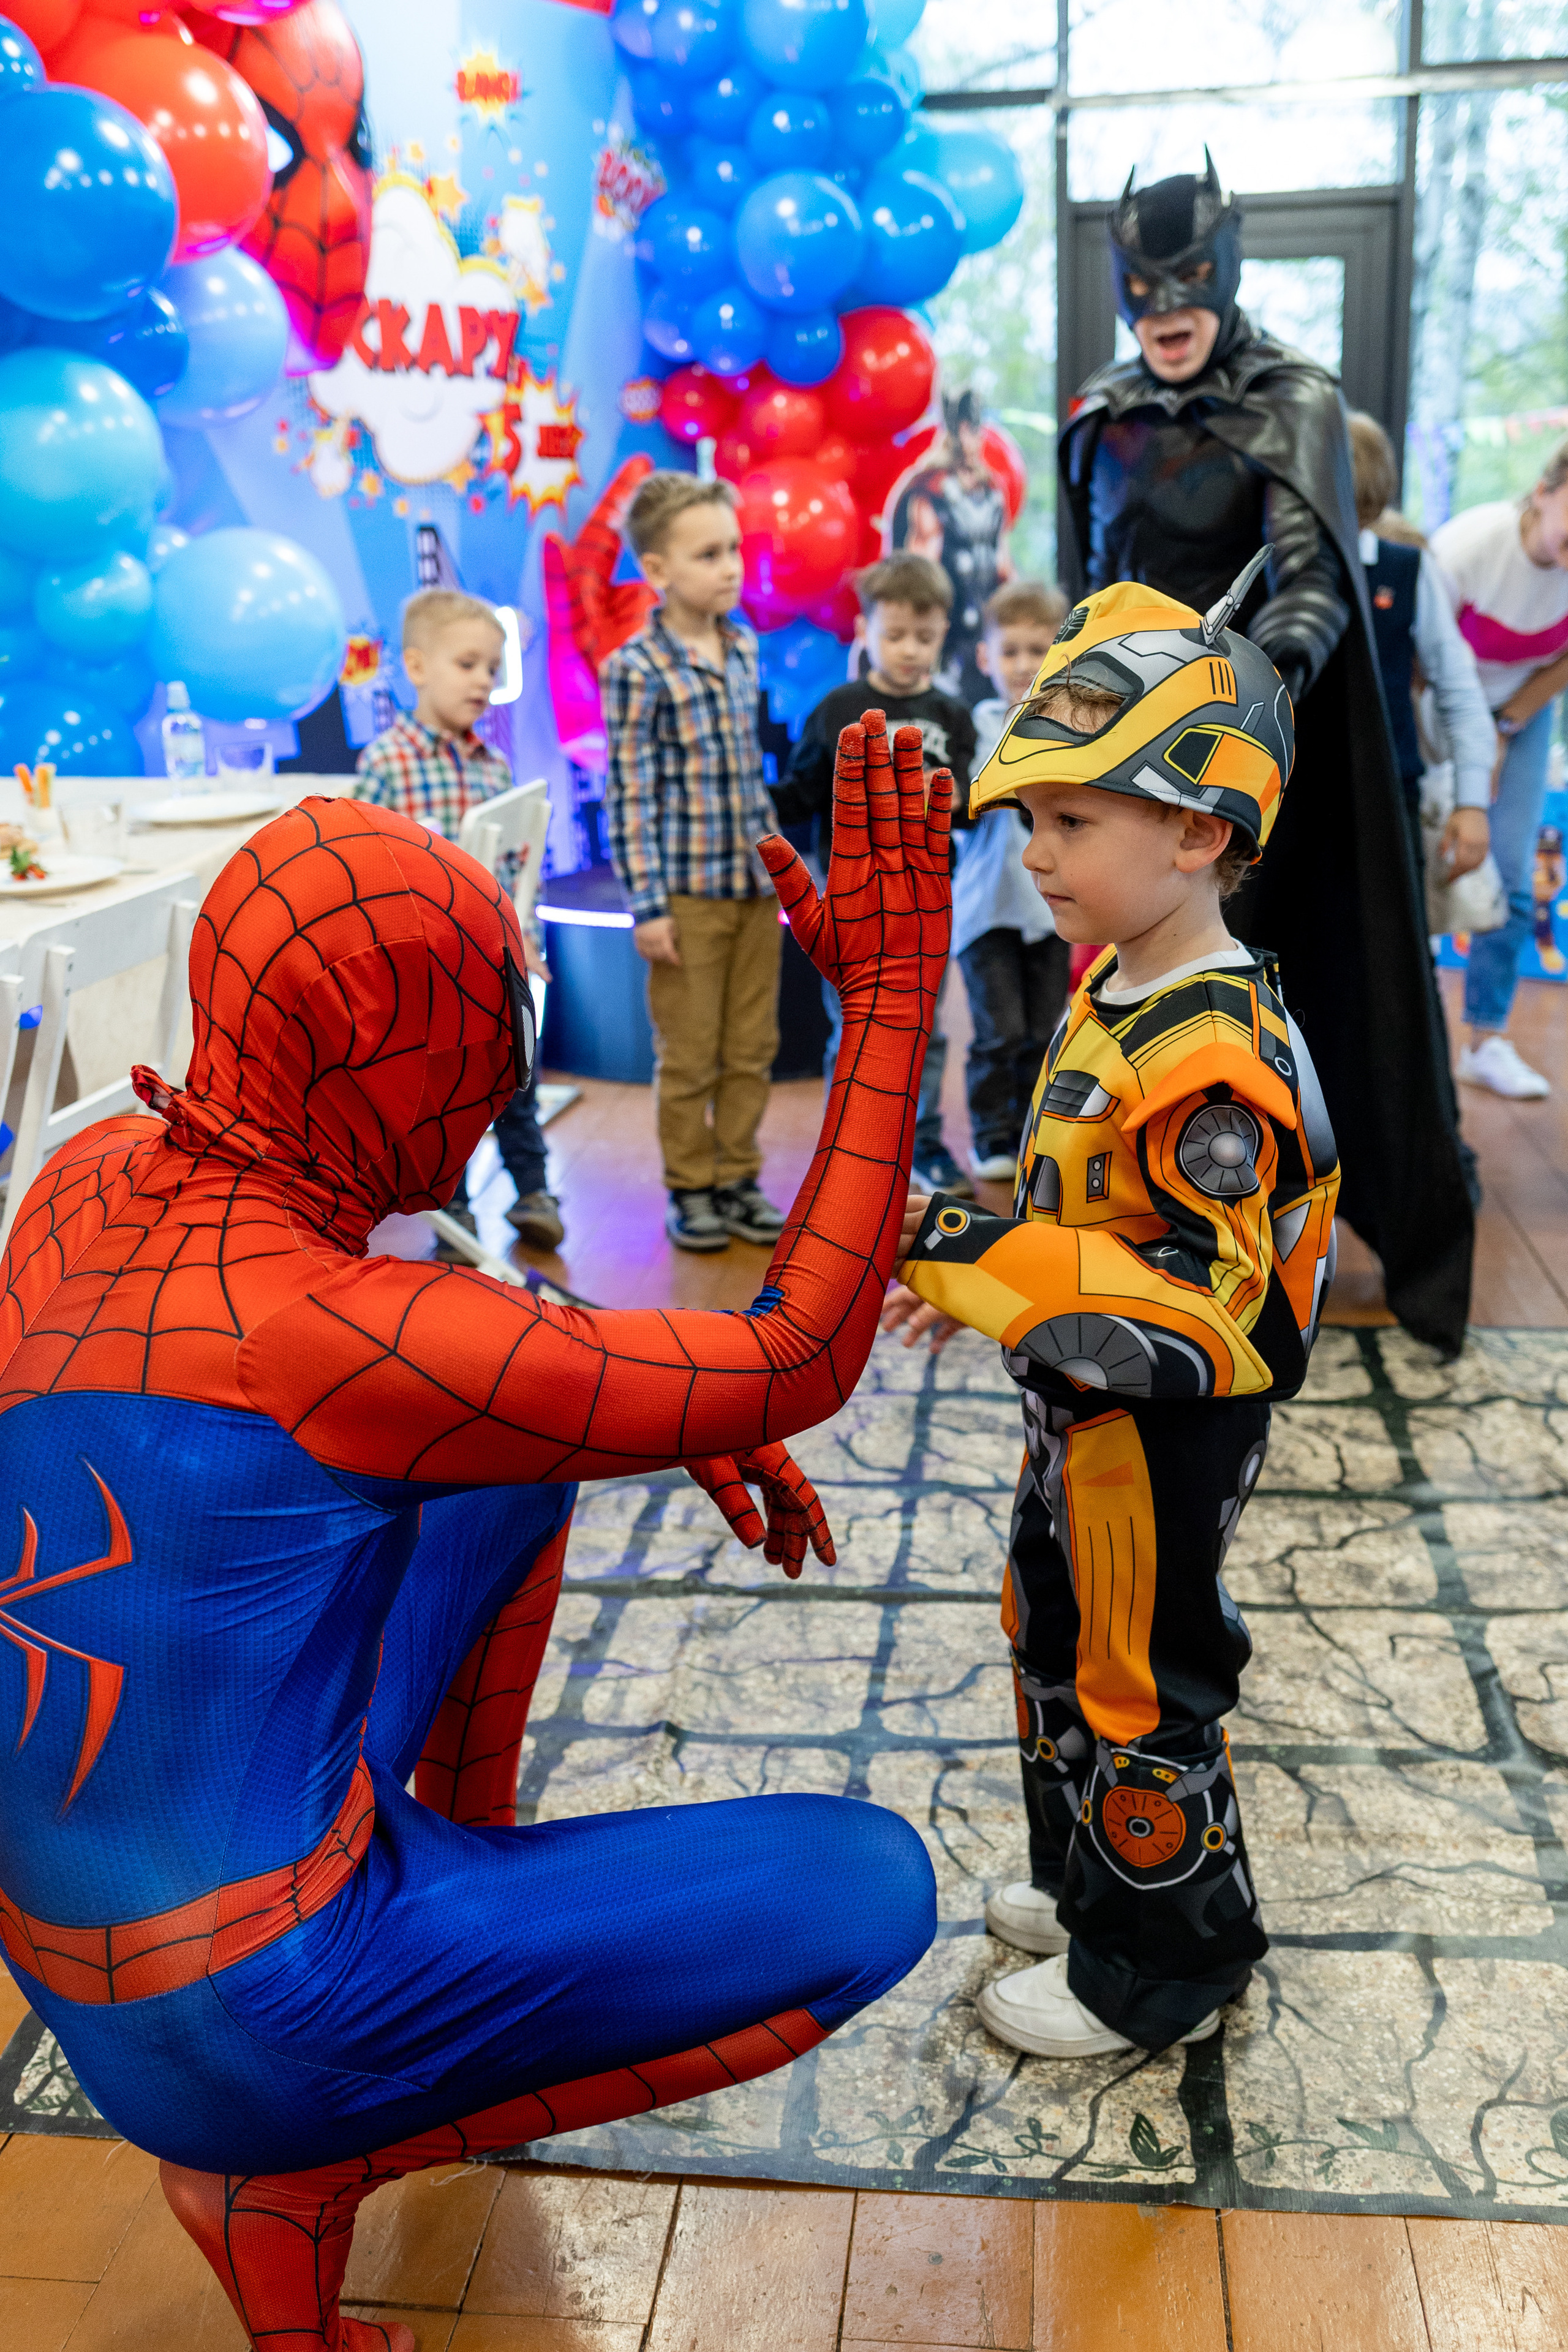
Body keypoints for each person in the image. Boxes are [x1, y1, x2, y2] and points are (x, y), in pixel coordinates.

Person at [0, 723, 949, 2352]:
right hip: (252, 2018)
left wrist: (673, 1422)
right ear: (393, 1056)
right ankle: (307, 2159)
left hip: (81, 1954)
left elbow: (455, 1348)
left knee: (504, 1466)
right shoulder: (337, 1330)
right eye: (477, 1060)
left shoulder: (89, 1175)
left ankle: (452, 1895)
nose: (491, 1100)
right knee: (872, 1891)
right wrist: (892, 1004)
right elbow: (803, 1351)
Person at [883, 571, 1340, 2059]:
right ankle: (1090, 1883)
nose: (1037, 851)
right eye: (1032, 821)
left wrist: (998, 1266)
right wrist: (1002, 1280)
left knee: (1140, 1672)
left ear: (1197, 831)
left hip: (1159, 1436)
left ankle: (1158, 1963)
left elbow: (1231, 1320)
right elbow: (1084, 1207)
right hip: (1071, 1414)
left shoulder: (1217, 1050)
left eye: (1071, 821)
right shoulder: (1113, 976)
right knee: (1051, 1626)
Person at [1058, 151, 1472, 1355]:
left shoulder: (1288, 396)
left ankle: (1297, 1242)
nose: (1164, 308)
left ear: (1225, 276)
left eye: (1187, 281)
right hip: (1128, 760)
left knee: (1282, 998)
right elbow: (1093, 587)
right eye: (1142, 288)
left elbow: (1310, 585)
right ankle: (1157, 1236)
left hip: (1253, 758)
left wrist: (1236, 707)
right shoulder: (1100, 414)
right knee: (1148, 995)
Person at [602, 472, 787, 1254]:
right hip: (687, 897)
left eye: (734, 549)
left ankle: (739, 1175)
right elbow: (630, 793)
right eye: (708, 553)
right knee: (690, 1053)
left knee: (753, 1045)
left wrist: (785, 872)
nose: (729, 566)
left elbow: (751, 776)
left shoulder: (743, 646)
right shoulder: (636, 668)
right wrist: (647, 906)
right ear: (657, 572)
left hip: (751, 890)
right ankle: (692, 1185)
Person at [355, 587, 565, 1254]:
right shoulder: (385, 764)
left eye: (492, 669)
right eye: (468, 664)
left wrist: (523, 936)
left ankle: (533, 1191)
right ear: (416, 667)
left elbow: (510, 871)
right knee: (446, 1096)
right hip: (430, 969)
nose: (484, 681)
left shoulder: (493, 764)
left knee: (515, 1078)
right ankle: (457, 1211)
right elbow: (364, 866)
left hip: (495, 966)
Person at [772, 552, 978, 1196]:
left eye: (924, 635)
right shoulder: (837, 709)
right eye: (894, 635)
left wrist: (936, 795)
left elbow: (970, 802)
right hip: (854, 900)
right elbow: (800, 793)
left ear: (944, 630)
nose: (909, 649)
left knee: (925, 1025)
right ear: (865, 631)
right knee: (854, 1024)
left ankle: (923, 1142)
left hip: (928, 899)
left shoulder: (952, 716)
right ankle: (853, 1141)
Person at [1430, 441, 1568, 1100]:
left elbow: (1561, 663)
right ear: (1544, 489)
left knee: (1511, 875)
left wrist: (1505, 730)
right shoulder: (1468, 547)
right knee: (1422, 862)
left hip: (1520, 710)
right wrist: (1464, 749)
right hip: (1436, 698)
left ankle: (1485, 1039)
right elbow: (1418, 653)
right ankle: (1409, 1027)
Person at [1345, 413, 1494, 880]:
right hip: (1281, 796)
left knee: (1389, 945)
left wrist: (1471, 801)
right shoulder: (1271, 567)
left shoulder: (1406, 571)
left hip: (1386, 793)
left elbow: (1457, 686)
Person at [957, 581, 1072, 1181]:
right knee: (997, 1032)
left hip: (1051, 910)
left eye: (1038, 650)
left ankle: (1032, 1130)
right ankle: (990, 1134)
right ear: (985, 657)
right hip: (986, 911)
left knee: (1040, 1031)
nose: (1023, 664)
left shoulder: (1070, 730)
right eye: (1010, 651)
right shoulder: (973, 729)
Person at [894, 388, 1012, 701]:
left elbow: (1001, 564)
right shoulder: (929, 488)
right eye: (961, 430)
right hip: (943, 641)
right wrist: (922, 641)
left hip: (986, 638)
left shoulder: (991, 490)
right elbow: (917, 578)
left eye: (973, 430)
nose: (968, 440)